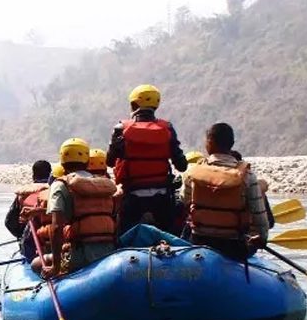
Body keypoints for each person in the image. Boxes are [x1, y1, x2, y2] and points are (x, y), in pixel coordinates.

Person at [106, 84, 188, 235]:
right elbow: (182, 165)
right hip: (162, 195)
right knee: (169, 235)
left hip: (131, 194)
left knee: (126, 236)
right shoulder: (168, 128)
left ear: (133, 105)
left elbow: (109, 162)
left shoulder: (120, 129)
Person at [182, 123, 269, 260]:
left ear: (210, 142)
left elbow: (184, 201)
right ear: (232, 144)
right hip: (234, 246)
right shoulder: (248, 176)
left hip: (198, 241)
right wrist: (262, 239)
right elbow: (260, 217)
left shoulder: (193, 173)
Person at [41, 138, 118, 277]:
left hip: (80, 254)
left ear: (62, 163)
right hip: (109, 250)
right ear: (87, 162)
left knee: (36, 264)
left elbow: (56, 227)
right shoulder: (101, 183)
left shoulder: (60, 185)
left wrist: (55, 267)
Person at [4, 160, 51, 238]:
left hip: (31, 235)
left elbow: (10, 222)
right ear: (50, 174)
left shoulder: (23, 193)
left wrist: (20, 235)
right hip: (53, 234)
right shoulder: (55, 189)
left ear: (33, 175)